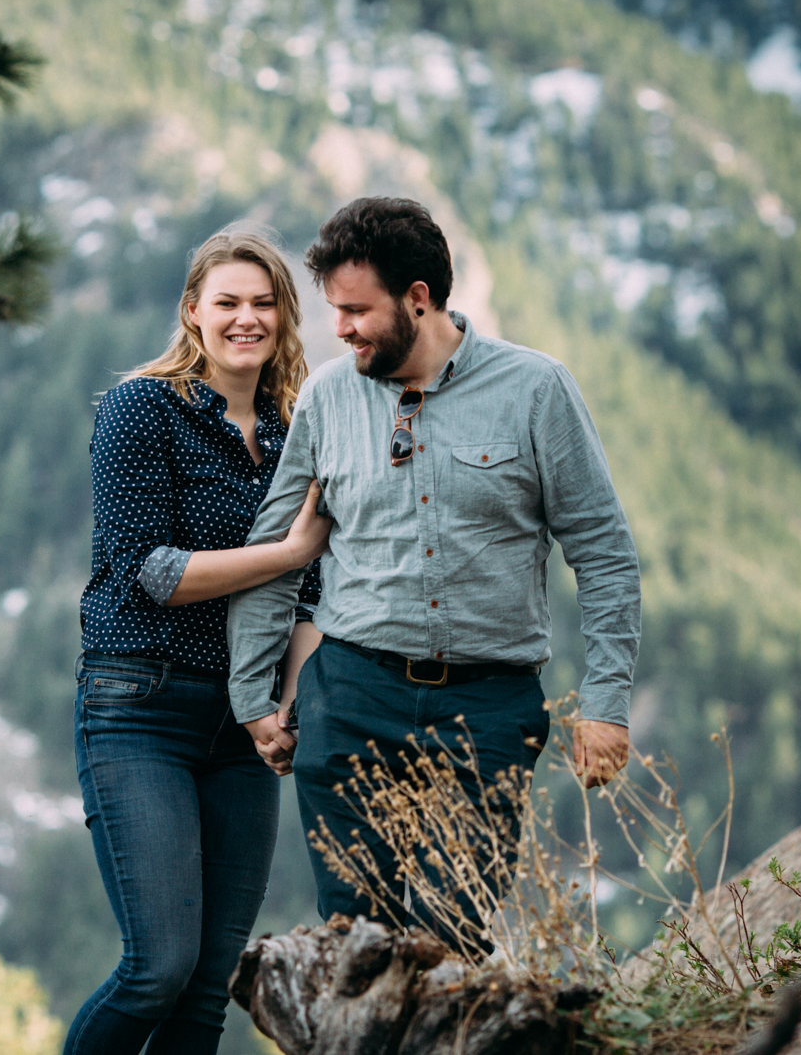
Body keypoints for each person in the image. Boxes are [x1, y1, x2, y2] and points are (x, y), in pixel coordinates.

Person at [227, 196, 641, 943]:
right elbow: (272, 549)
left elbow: (604, 554)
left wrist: (607, 700)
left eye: (357, 310)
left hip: (487, 710)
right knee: (354, 944)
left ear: (418, 299)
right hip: (349, 698)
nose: (341, 328)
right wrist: (253, 693)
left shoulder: (537, 390)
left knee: (452, 939)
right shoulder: (326, 396)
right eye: (335, 310)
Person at [67, 228, 331, 1055]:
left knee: (209, 984)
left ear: (285, 317)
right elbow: (151, 568)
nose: (245, 318)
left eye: (263, 303)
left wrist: (284, 706)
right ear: (193, 311)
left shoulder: (299, 429)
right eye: (228, 302)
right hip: (140, 705)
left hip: (243, 728)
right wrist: (288, 550)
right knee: (158, 967)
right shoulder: (140, 408)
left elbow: (311, 593)